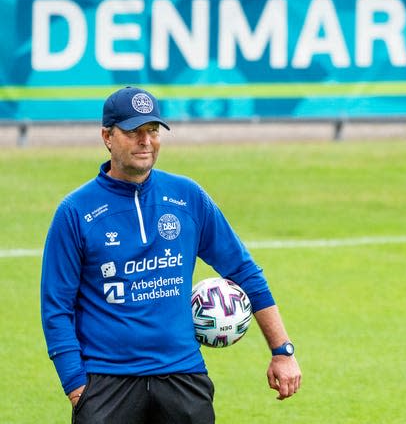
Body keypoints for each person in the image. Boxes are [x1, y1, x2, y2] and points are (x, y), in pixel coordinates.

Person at [40, 86, 301, 423]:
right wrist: (76, 386)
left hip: (183, 376)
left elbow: (243, 271)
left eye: (152, 130)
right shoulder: (75, 211)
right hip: (106, 383)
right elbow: (56, 307)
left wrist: (282, 351)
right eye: (133, 131)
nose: (145, 141)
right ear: (107, 136)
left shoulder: (187, 197)